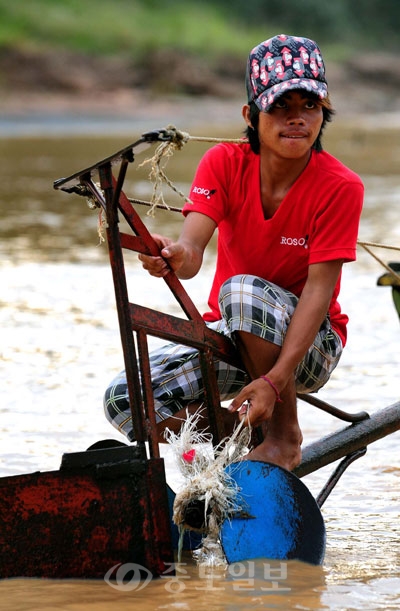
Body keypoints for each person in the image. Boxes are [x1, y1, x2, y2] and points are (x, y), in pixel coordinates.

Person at [104, 34, 364, 470]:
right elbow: (190, 253)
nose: (296, 119)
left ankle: (283, 437)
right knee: (125, 400)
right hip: (234, 333)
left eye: (310, 106)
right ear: (251, 114)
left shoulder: (341, 186)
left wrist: (276, 381)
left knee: (240, 291)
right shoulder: (224, 163)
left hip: (310, 346)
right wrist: (172, 254)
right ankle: (239, 432)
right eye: (281, 106)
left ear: (323, 112)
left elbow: (320, 292)